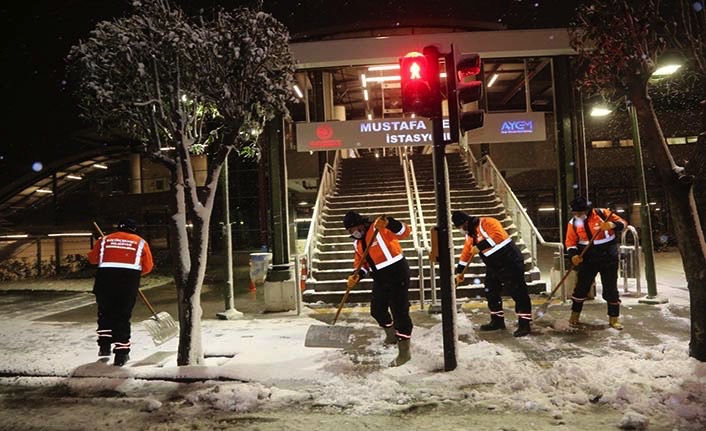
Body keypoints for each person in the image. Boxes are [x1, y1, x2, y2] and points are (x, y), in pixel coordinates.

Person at [342, 211, 413, 367]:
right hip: (380, 277)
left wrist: (389, 223)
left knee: (399, 310)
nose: (354, 232)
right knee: (377, 309)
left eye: (355, 227)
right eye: (350, 230)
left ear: (362, 223)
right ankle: (391, 335)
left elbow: (405, 231)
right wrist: (356, 276)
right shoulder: (357, 243)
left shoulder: (378, 228)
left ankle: (404, 352)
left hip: (397, 272)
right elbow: (362, 265)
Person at [451, 211, 532, 337]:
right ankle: (497, 320)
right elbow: (467, 252)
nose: (461, 230)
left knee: (518, 292)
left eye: (460, 227)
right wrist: (459, 272)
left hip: (510, 261)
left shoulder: (488, 222)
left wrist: (480, 246)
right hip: (494, 265)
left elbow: (498, 236)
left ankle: (524, 324)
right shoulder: (470, 235)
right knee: (491, 291)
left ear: (465, 222)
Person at [88, 218, 153, 366]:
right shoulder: (141, 242)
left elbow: (92, 259)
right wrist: (132, 274)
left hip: (104, 282)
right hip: (127, 284)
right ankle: (121, 354)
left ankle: (104, 347)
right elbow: (148, 266)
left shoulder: (104, 240)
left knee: (105, 313)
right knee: (122, 317)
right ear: (134, 229)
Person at [565, 196, 627, 330]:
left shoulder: (603, 214)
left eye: (579, 213)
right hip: (587, 257)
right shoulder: (573, 223)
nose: (577, 215)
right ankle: (574, 315)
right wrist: (574, 255)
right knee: (581, 288)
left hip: (608, 255)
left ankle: (613, 319)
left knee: (610, 289)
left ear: (587, 210)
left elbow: (623, 223)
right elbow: (570, 242)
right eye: (574, 213)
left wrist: (612, 225)